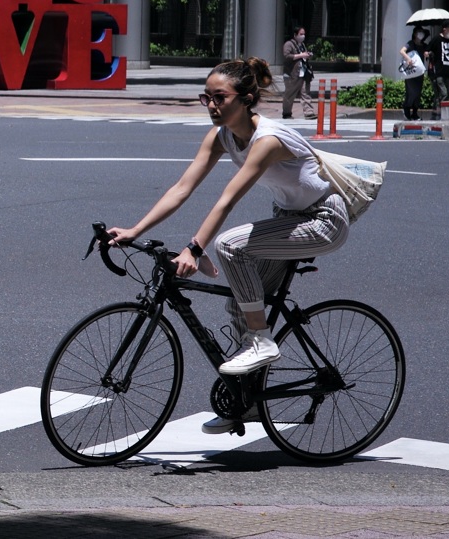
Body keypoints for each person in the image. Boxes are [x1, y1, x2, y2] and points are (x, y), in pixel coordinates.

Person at [107, 57, 350, 435]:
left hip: (323, 220)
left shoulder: (268, 139)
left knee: (231, 245)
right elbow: (182, 188)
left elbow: (227, 200)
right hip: (288, 219)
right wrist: (135, 230)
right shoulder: (221, 135)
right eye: (206, 98)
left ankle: (261, 341)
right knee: (240, 300)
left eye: (220, 97)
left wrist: (195, 248)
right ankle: (250, 403)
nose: (212, 105)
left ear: (247, 98)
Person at [281, 26, 315, 120]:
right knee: (290, 94)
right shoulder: (289, 44)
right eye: (301, 34)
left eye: (304, 34)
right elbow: (286, 56)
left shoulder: (302, 45)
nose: (303, 36)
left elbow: (303, 56)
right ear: (295, 35)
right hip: (291, 74)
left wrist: (307, 55)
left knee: (305, 92)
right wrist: (301, 55)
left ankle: (309, 112)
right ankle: (287, 113)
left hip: (303, 73)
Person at [400, 26, 430, 121]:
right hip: (411, 72)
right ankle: (407, 110)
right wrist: (408, 59)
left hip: (419, 72)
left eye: (422, 32)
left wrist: (428, 54)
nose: (421, 34)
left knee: (418, 93)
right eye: (419, 32)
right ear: (415, 34)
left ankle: (415, 113)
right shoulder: (411, 43)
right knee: (411, 92)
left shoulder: (424, 45)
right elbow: (402, 51)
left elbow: (429, 53)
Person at [428, 20, 449, 119]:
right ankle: (440, 115)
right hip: (438, 72)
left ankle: (436, 115)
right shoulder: (436, 39)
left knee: (445, 95)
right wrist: (429, 54)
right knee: (443, 94)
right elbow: (427, 50)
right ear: (445, 29)